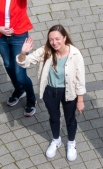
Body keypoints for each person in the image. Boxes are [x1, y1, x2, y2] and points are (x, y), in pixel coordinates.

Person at [17, 25, 87, 161]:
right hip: (50, 91)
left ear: (65, 38)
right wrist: (23, 52)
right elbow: (25, 62)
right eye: (51, 40)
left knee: (70, 119)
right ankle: (56, 140)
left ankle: (71, 142)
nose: (54, 43)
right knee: (54, 117)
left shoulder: (75, 54)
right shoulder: (46, 51)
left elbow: (80, 79)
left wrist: (80, 100)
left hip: (69, 92)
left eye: (57, 39)